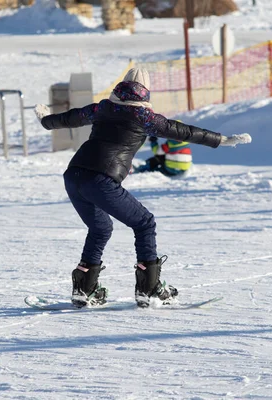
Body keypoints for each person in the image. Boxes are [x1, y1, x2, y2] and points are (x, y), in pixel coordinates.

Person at [34, 68, 251, 308]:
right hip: (100, 180)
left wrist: (45, 120)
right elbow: (184, 131)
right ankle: (149, 290)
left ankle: (84, 289)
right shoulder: (145, 117)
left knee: (100, 227)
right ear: (145, 93)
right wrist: (220, 140)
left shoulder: (103, 108)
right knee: (144, 223)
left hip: (74, 175)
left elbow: (71, 118)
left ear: (120, 88)